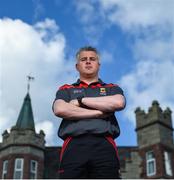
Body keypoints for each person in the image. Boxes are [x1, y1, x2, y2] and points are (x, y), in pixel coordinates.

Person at [53, 46, 126, 179]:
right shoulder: (66, 89)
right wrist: (98, 113)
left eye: (92, 59)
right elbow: (60, 109)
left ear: (98, 65)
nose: (88, 62)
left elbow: (118, 103)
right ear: (77, 66)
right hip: (73, 144)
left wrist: (80, 101)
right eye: (83, 59)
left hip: (104, 143)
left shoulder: (111, 88)